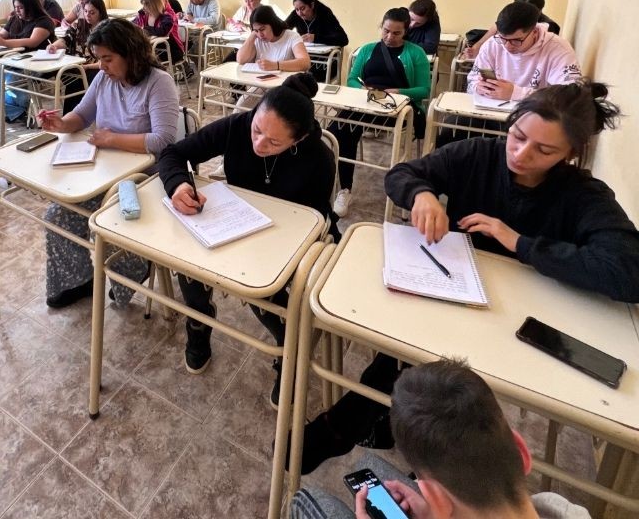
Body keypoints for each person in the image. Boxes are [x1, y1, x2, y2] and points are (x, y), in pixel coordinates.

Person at [291, 82, 639, 477]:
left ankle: (351, 428)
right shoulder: (479, 154)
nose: (521, 154)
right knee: (408, 342)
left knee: (440, 376)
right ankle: (382, 437)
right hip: (454, 291)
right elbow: (403, 174)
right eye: (518, 136)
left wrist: (519, 242)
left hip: (517, 320)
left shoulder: (583, 194)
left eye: (544, 151)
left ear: (571, 153)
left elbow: (628, 269)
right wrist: (422, 194)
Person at [158, 73, 336, 409]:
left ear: (298, 139)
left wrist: (265, 250)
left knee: (264, 288)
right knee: (190, 259)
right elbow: (173, 154)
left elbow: (314, 220)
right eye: (257, 130)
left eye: (274, 142)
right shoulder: (238, 126)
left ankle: (287, 349)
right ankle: (199, 321)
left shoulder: (318, 158)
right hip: (233, 224)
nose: (259, 144)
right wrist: (179, 185)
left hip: (285, 240)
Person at [290, 360, 592, 519]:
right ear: (522, 450)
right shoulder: (560, 509)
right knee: (370, 468)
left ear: (436, 498)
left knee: (307, 499)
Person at [38, 19, 179, 309]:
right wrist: (61, 124)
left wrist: (112, 139)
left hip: (144, 179)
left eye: (108, 59)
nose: (101, 66)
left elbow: (163, 140)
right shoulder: (105, 79)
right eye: (99, 58)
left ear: (131, 54)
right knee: (57, 217)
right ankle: (77, 280)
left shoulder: (158, 82)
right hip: (106, 173)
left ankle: (135, 270)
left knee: (108, 225)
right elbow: (82, 115)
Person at [329, 7, 430, 218]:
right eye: (386, 31)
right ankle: (344, 188)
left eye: (396, 33)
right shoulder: (367, 49)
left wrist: (397, 92)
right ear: (381, 27)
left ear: (406, 31)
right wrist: (362, 89)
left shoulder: (416, 53)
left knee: (345, 128)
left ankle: (397, 188)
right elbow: (351, 79)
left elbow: (424, 90)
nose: (389, 37)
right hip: (367, 103)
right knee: (339, 130)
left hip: (399, 108)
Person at [467, 2, 580, 102]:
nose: (507, 46)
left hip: (536, 114)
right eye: (503, 39)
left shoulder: (558, 48)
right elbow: (471, 81)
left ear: (534, 32)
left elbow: (571, 96)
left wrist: (516, 93)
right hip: (491, 110)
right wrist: (478, 87)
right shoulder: (493, 44)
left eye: (516, 40)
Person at [0, 0, 55, 121]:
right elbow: (1, 35)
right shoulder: (14, 19)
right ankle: (17, 112)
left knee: (11, 80)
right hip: (15, 61)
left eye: (20, 7)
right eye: (15, 7)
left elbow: (33, 42)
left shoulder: (44, 21)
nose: (17, 10)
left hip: (36, 62)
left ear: (31, 7)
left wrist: (5, 43)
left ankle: (20, 112)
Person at [47, 0, 108, 114]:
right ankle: (71, 116)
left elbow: (107, 59)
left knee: (75, 82)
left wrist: (86, 67)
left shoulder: (107, 29)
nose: (88, 15)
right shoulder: (79, 25)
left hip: (97, 67)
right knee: (66, 76)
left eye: (92, 13)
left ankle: (73, 116)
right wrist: (54, 46)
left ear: (100, 13)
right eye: (85, 11)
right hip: (78, 65)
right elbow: (66, 39)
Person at [465, 0, 562, 59]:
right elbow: (482, 42)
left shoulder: (549, 28)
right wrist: (474, 50)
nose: (519, 15)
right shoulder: (507, 19)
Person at [285, 0, 349, 82]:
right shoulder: (296, 14)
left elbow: (343, 39)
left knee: (307, 79)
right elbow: (282, 30)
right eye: (297, 9)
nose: (300, 13)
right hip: (306, 57)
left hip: (326, 61)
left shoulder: (325, 13)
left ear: (312, 5)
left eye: (303, 8)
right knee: (290, 75)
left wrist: (315, 38)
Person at [133, 0, 185, 64]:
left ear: (154, 6)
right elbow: (133, 25)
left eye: (146, 5)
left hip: (171, 50)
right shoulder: (145, 13)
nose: (143, 8)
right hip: (156, 48)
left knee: (142, 58)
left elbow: (162, 31)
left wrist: (145, 29)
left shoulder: (168, 16)